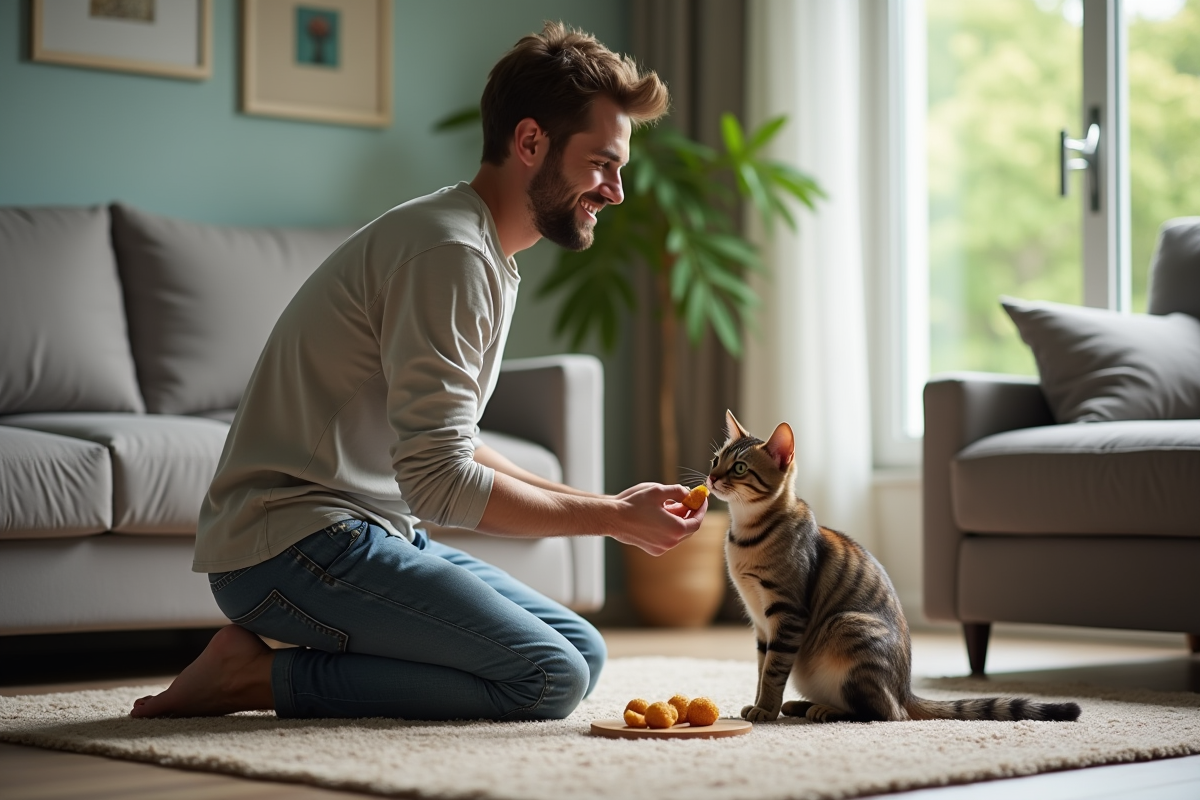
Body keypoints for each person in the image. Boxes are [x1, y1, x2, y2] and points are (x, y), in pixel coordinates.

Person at [131, 22, 705, 722]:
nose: (615, 190)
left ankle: (275, 665)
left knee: (580, 650)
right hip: (289, 545)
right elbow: (437, 483)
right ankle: (251, 680)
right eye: (601, 164)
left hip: (368, 529)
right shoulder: (450, 253)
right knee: (546, 678)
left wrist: (610, 505)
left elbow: (451, 442)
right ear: (530, 143)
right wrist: (613, 520)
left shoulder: (483, 252)